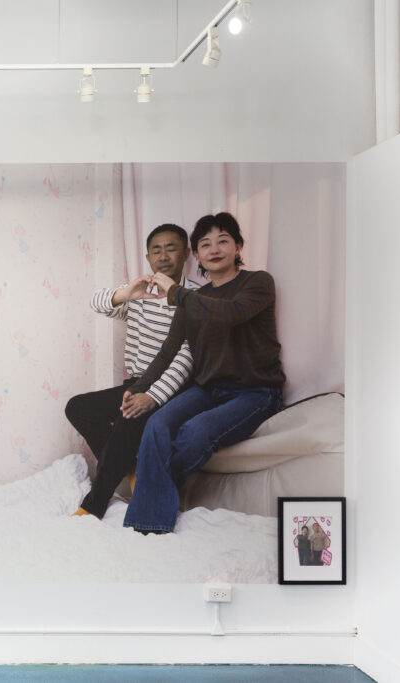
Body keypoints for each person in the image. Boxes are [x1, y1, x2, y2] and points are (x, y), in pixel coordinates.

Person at [122, 212, 285, 534]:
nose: (214, 249)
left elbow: (232, 314)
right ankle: (146, 524)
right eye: (205, 244)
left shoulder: (258, 282)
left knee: (195, 432)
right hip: (209, 388)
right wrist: (140, 387)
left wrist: (178, 294)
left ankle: (149, 510)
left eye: (223, 240)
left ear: (238, 247)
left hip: (256, 391)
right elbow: (169, 351)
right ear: (195, 254)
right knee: (156, 424)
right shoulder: (196, 299)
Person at [64, 224, 199, 518]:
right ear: (148, 257)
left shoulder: (195, 297)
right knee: (78, 407)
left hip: (173, 387)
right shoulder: (141, 294)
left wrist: (152, 395)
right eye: (156, 250)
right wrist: (126, 293)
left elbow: (186, 359)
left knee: (128, 414)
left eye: (171, 248)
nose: (163, 256)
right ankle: (131, 469)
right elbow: (96, 303)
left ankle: (94, 504)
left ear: (186, 253)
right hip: (136, 382)